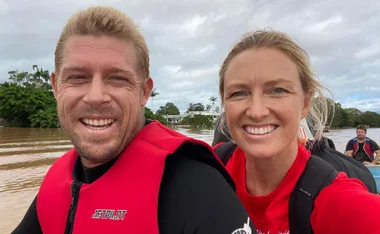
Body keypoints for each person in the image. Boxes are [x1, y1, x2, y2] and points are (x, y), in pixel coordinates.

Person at [11, 6, 256, 234]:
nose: (96, 97)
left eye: (117, 79)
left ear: (144, 92)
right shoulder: (57, 182)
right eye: (77, 77)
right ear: (55, 87)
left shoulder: (196, 187)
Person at [213, 29, 380, 234]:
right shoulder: (206, 169)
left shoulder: (333, 197)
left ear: (305, 103)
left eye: (278, 90)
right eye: (239, 93)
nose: (256, 111)